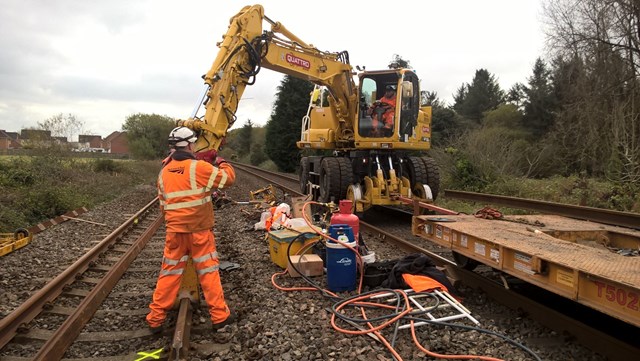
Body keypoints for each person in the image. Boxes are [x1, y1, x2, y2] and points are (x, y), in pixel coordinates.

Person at [146, 126, 237, 333]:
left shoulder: (164, 173)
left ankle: (155, 319)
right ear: (188, 145)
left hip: (175, 233)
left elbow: (163, 207)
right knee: (208, 273)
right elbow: (228, 179)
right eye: (193, 143)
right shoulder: (199, 168)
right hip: (199, 233)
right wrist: (222, 161)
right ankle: (220, 317)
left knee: (169, 274)